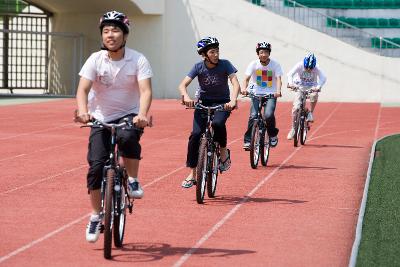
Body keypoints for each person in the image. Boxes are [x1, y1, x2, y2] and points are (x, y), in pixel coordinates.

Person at [74, 11, 153, 243]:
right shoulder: (95, 59)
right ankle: (96, 215)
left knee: (128, 138)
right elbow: (83, 90)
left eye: (116, 30)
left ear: (125, 35)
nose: (111, 35)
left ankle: (133, 179)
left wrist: (141, 114)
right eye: (106, 31)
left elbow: (146, 90)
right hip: (100, 117)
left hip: (129, 115)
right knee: (96, 168)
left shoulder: (138, 59)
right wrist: (82, 111)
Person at [179, 37, 240, 188]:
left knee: (218, 123)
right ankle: (193, 173)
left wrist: (232, 100)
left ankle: (224, 153)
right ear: (204, 55)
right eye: (212, 52)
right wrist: (186, 96)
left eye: (217, 51)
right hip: (203, 104)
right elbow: (183, 84)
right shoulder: (198, 67)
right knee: (195, 135)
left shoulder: (225, 64)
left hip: (222, 103)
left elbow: (235, 82)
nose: (216, 54)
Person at [242, 42, 282, 150]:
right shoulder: (253, 64)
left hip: (271, 93)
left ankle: (272, 135)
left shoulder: (275, 64)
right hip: (256, 93)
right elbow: (246, 79)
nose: (263, 54)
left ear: (269, 53)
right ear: (258, 54)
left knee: (268, 115)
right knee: (253, 115)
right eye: (261, 52)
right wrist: (244, 89)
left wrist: (278, 91)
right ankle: (248, 140)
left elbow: (278, 79)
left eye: (266, 52)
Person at [286, 53, 327, 140]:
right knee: (296, 108)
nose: (308, 69)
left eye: (311, 68)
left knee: (314, 95)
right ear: (304, 63)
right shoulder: (299, 65)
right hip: (299, 86)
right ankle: (293, 128)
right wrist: (290, 84)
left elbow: (323, 77)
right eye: (306, 67)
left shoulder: (316, 68)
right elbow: (290, 74)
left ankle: (310, 112)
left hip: (312, 87)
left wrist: (318, 87)